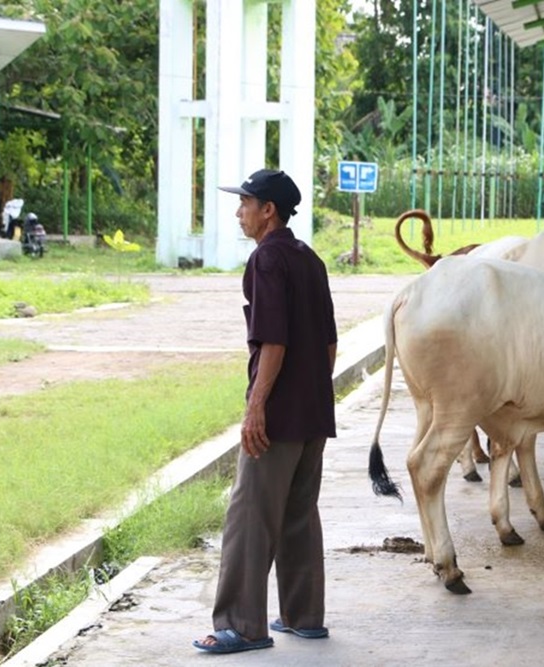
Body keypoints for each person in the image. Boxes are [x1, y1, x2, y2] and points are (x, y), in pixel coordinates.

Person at [193, 169, 338, 655]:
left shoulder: (267, 260)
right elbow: (330, 343)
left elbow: (273, 339)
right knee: (299, 512)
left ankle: (241, 625)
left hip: (278, 413)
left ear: (268, 210)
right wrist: (312, 392)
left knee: (250, 514)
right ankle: (304, 616)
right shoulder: (310, 259)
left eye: (246, 203)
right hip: (313, 410)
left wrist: (258, 407)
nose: (240, 212)